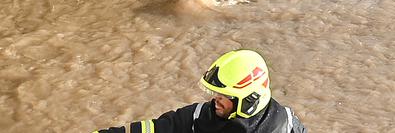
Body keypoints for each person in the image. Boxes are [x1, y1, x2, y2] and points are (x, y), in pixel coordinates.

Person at [93, 49, 307, 133]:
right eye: (216, 93)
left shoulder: (284, 127)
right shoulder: (203, 115)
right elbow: (161, 128)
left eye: (224, 96)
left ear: (249, 99)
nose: (216, 100)